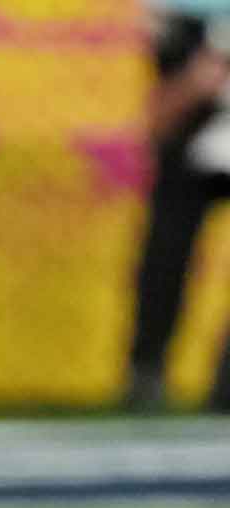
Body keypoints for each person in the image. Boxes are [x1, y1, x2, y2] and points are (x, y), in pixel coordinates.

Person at [129, 6, 230, 412]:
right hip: (192, 150)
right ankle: (145, 373)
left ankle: (225, 386)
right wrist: (200, 76)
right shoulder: (185, 30)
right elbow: (157, 122)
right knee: (167, 253)